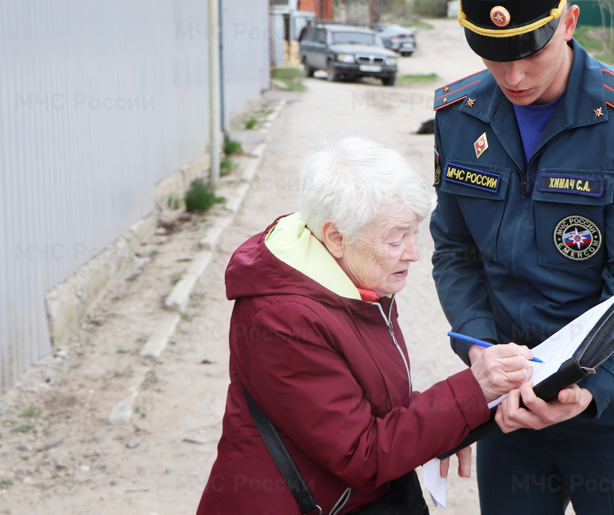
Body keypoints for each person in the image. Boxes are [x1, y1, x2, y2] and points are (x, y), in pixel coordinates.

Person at [430, 0, 614, 514]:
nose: (513, 77)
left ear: (568, 22)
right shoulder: (458, 117)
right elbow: (454, 253)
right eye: (494, 55)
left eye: (531, 52)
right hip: (510, 403)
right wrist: (482, 354)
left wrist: (585, 391)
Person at [197, 137, 536, 514]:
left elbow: (368, 397)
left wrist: (446, 423)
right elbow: (361, 454)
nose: (414, 253)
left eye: (414, 233)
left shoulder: (350, 274)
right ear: (336, 237)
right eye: (396, 239)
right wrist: (472, 389)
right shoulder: (284, 319)